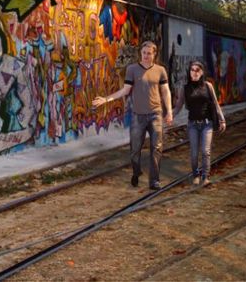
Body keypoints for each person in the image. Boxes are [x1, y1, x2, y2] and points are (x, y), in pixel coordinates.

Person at [92, 41, 173, 190]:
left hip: (155, 114)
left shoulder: (160, 70)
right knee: (135, 150)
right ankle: (136, 171)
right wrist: (106, 99)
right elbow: (125, 90)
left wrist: (169, 111)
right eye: (144, 53)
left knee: (157, 148)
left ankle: (154, 181)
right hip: (138, 116)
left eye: (149, 53)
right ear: (140, 53)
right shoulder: (132, 69)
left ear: (154, 54)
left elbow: (165, 91)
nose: (146, 56)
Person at [173, 60, 226, 186]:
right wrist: (170, 115)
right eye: (192, 70)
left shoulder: (208, 86)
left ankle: (205, 176)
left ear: (202, 72)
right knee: (194, 153)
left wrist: (222, 119)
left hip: (207, 124)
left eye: (197, 70)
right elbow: (178, 106)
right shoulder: (185, 88)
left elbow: (215, 103)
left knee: (206, 151)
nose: (195, 72)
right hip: (192, 125)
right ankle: (195, 175)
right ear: (189, 72)